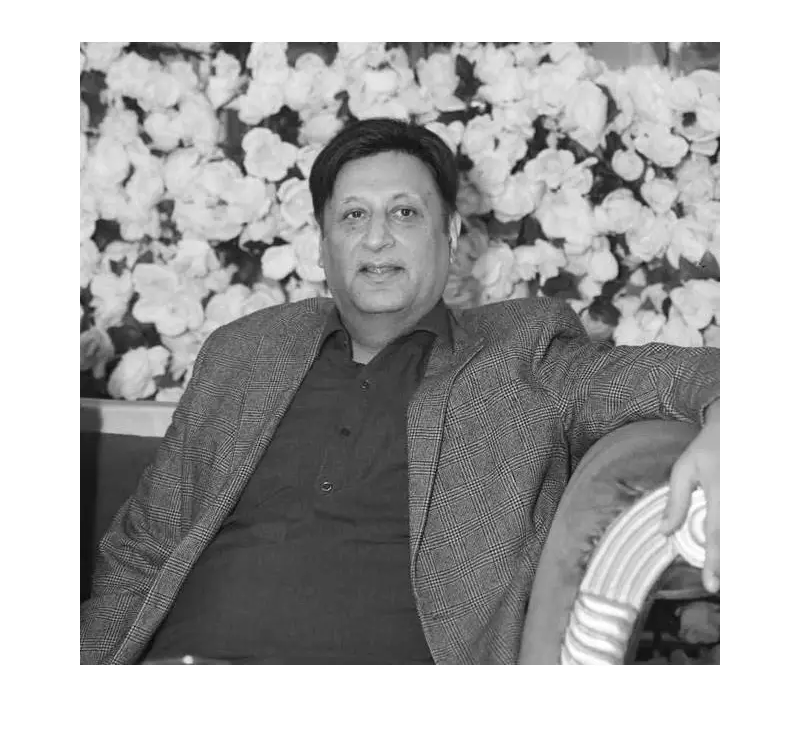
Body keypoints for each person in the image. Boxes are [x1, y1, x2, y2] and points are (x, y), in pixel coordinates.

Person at [80, 118, 720, 665]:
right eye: (353, 215)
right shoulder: (243, 351)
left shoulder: (524, 356)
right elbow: (143, 550)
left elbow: (687, 375)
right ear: (322, 246)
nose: (377, 237)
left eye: (405, 213)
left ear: (451, 235)